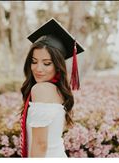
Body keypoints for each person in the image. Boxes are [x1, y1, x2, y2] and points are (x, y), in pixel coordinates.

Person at [20, 18, 84, 157]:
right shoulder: (57, 90)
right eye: (34, 61)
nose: (38, 69)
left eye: (47, 63)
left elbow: (40, 144)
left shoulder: (41, 89)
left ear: (58, 65)